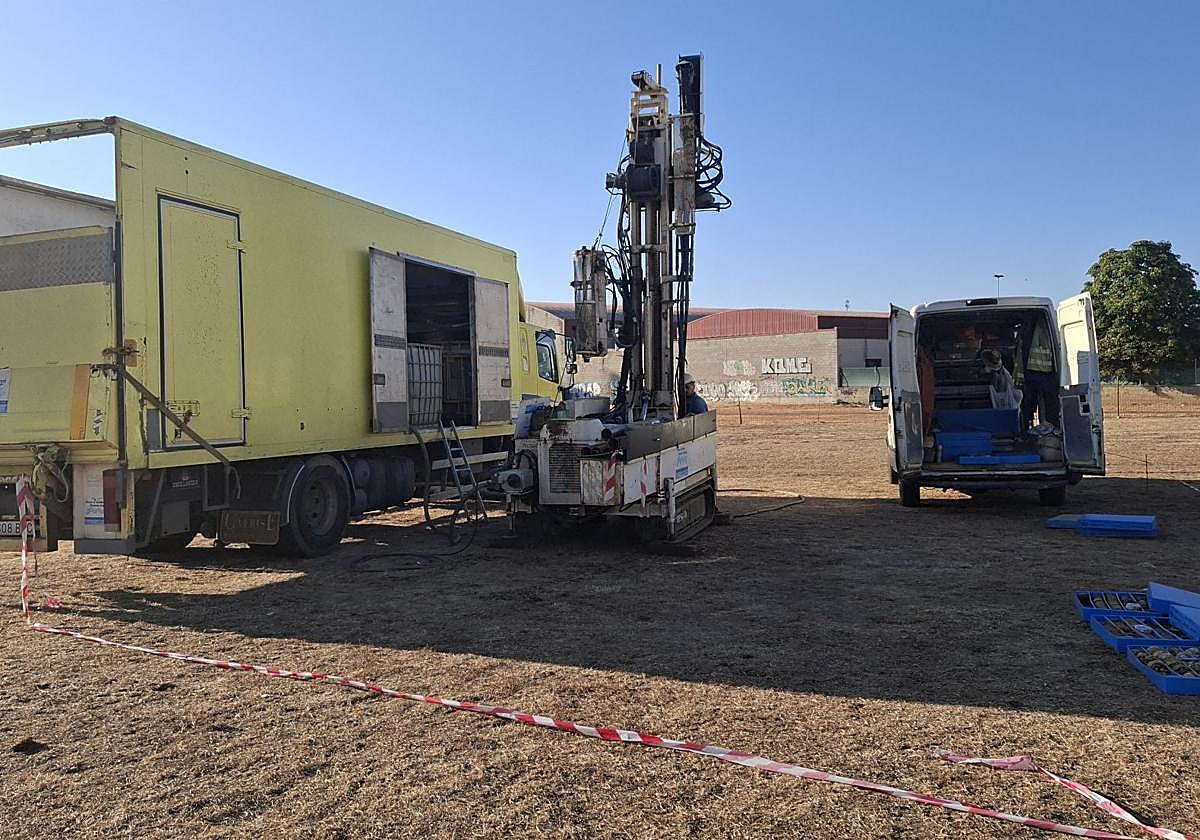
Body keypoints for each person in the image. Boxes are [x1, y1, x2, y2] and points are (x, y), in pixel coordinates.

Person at [1021, 319, 1060, 429]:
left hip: (1036, 372)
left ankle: (1029, 425)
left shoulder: (1035, 326)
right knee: (1047, 400)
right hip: (1044, 372)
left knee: (1030, 401)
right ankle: (1050, 426)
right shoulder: (1044, 323)